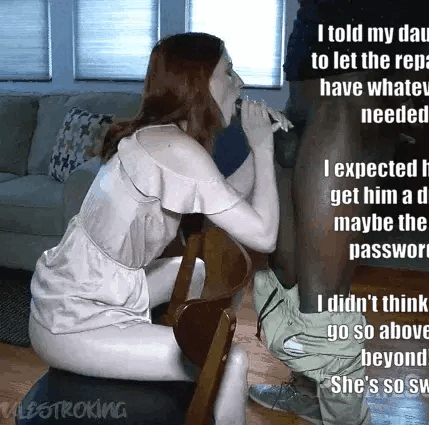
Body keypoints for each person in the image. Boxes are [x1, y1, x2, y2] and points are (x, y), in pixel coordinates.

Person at [29, 32, 291, 425]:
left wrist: (259, 150)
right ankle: (177, 374)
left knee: (197, 270)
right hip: (71, 321)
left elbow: (223, 202)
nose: (239, 83)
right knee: (232, 361)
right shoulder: (177, 150)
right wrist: (264, 150)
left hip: (99, 286)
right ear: (198, 84)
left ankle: (173, 359)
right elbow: (265, 236)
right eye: (229, 72)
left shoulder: (163, 138)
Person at [248, 1, 429, 424]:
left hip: (366, 40)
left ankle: (343, 414)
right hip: (320, 53)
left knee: (341, 101)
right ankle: (307, 389)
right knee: (291, 261)